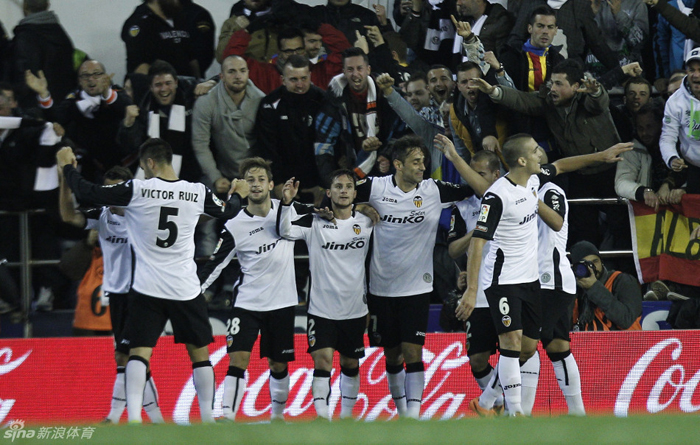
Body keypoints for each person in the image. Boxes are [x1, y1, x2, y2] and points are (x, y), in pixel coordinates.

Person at [56, 138, 248, 424]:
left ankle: (134, 420)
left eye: (143, 168)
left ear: (149, 162)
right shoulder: (196, 191)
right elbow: (229, 212)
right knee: (200, 355)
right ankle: (208, 419)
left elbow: (87, 191)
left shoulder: (138, 189)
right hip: (184, 287)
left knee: (138, 354)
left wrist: (68, 168)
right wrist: (238, 194)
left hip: (147, 288)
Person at [457, 133, 631, 416]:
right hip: (504, 279)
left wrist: (602, 156)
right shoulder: (499, 194)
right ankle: (513, 413)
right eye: (536, 150)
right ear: (523, 159)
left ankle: (494, 404)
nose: (542, 153)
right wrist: (472, 288)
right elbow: (478, 241)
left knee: (533, 347)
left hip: (535, 280)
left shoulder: (536, 183)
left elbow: (561, 166)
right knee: (514, 344)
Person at [356, 133, 489, 419]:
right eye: (416, 162)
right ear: (398, 165)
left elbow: (483, 191)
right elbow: (336, 194)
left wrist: (453, 155)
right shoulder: (375, 187)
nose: (422, 167)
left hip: (417, 287)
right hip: (380, 287)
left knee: (413, 353)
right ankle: (402, 411)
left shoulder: (433, 190)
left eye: (424, 161)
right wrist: (361, 207)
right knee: (392, 356)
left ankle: (412, 418)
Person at [58, 165, 164, 424]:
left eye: (116, 190)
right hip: (116, 294)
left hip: (142, 293)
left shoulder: (143, 214)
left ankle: (116, 416)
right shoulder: (101, 214)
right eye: (107, 189)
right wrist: (63, 181)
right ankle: (157, 421)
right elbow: (68, 216)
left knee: (131, 355)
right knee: (128, 357)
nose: (110, 195)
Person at [198, 157, 297, 422]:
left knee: (278, 364)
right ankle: (228, 416)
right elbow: (215, 264)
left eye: (261, 180)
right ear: (242, 184)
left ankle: (277, 417)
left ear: (271, 184)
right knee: (238, 359)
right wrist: (193, 294)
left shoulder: (289, 210)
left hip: (282, 301)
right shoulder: (234, 224)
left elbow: (326, 218)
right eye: (250, 180)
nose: (256, 185)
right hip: (247, 303)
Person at [277, 169, 374, 420]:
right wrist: (287, 202)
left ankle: (347, 417)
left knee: (350, 364)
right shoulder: (314, 222)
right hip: (321, 309)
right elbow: (285, 230)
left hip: (355, 308)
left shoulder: (366, 222)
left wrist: (369, 209)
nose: (343, 191)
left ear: (355, 193)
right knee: (323, 362)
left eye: (348, 186)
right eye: (338, 186)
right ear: (329, 193)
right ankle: (322, 417)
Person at [446, 150, 504, 414]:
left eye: (479, 174)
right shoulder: (463, 205)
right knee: (477, 359)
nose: (472, 178)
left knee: (515, 351)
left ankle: (504, 405)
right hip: (477, 292)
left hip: (508, 287)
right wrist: (476, 230)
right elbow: (453, 250)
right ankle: (500, 401)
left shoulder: (509, 198)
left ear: (496, 174)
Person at [25, 60, 133, 182]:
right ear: (80, 80)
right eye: (85, 75)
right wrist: (43, 93)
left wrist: (107, 93)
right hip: (91, 167)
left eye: (96, 74)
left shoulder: (116, 93)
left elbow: (127, 107)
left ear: (105, 77)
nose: (91, 79)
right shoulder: (75, 97)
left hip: (123, 165)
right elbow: (58, 118)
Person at [315, 47, 403, 187]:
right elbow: (323, 146)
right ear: (343, 72)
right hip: (351, 171)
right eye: (350, 70)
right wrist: (331, 183)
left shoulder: (386, 94)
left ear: (368, 70)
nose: (355, 74)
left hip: (389, 171)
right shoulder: (334, 100)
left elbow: (402, 131)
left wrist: (387, 154)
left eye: (359, 68)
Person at [255, 55, 326, 205]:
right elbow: (268, 147)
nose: (300, 84)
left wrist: (324, 183)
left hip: (316, 182)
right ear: (283, 79)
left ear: (310, 76)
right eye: (294, 79)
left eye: (304, 78)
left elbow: (330, 143)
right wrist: (278, 182)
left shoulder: (323, 101)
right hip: (284, 181)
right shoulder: (270, 104)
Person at [118, 61, 202, 183]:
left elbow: (221, 81)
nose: (164, 89)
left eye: (168, 83)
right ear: (151, 87)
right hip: (155, 178)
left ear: (176, 83)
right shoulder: (144, 109)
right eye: (158, 84)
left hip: (194, 173)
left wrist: (212, 82)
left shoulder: (191, 96)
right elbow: (130, 146)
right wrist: (128, 125)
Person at [192, 55, 264, 194]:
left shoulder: (261, 101)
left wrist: (259, 177)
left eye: (242, 71)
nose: (238, 76)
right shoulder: (206, 103)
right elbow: (200, 145)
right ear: (222, 76)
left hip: (255, 173)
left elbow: (269, 144)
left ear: (248, 73)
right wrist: (216, 177)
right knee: (202, 192)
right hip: (223, 173)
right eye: (231, 71)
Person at [615, 103, 686, 208]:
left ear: (661, 125)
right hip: (645, 213)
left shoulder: (681, 145)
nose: (644, 133)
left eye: (649, 127)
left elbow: (691, 174)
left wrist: (684, 190)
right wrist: (645, 192)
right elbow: (621, 183)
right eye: (640, 128)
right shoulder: (631, 150)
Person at [11, 0, 75, 108]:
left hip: (36, 106)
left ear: (24, 7)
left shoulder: (25, 37)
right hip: (64, 104)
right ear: (48, 5)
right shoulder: (61, 34)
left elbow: (23, 76)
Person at [570, 240, 642, 331]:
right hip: (587, 343)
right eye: (585, 264)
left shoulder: (623, 281)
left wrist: (593, 287)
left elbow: (625, 320)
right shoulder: (574, 289)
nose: (592, 268)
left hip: (625, 343)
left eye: (595, 261)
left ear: (601, 261)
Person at [121, 0, 200, 78]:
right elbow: (139, 65)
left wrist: (198, 82)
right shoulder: (139, 22)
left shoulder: (181, 18)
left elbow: (192, 58)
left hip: (187, 85)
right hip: (161, 88)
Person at [660, 48, 700, 194]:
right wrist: (671, 158)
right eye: (691, 70)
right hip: (694, 169)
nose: (696, 75)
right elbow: (667, 138)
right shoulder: (675, 102)